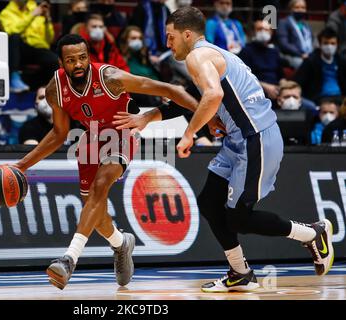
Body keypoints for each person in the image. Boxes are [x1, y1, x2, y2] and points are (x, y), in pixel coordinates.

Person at [115, 6, 334, 293]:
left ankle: (312, 233)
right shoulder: (212, 54)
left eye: (170, 37)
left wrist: (190, 133)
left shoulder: (197, 56)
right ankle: (241, 273)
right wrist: (148, 117)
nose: (167, 44)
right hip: (237, 140)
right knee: (209, 202)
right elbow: (192, 97)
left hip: (256, 139)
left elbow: (213, 95)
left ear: (187, 34)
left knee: (239, 217)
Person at [12, 34, 199, 290]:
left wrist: (207, 116)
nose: (78, 64)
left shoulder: (110, 78)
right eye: (70, 60)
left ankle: (69, 259)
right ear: (61, 62)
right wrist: (21, 166)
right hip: (91, 138)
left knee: (101, 186)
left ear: (88, 56)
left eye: (82, 58)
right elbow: (58, 133)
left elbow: (171, 90)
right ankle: (121, 243)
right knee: (94, 209)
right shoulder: (55, 88)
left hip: (121, 132)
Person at [0, 0, 59, 92]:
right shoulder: (5, 14)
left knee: (55, 61)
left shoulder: (36, 8)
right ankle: (14, 78)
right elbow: (11, 31)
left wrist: (47, 20)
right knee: (14, 37)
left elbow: (49, 39)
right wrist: (32, 15)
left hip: (37, 48)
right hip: (17, 50)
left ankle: (40, 87)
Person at [293, 28, 346, 104]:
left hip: (341, 98)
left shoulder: (341, 61)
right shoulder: (311, 61)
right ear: (320, 44)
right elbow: (297, 82)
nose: (329, 46)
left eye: (332, 43)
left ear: (337, 45)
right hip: (319, 99)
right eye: (326, 43)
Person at [239, 20, 284, 101]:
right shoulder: (246, 51)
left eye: (266, 30)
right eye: (259, 29)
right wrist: (265, 87)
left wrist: (284, 86)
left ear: (271, 33)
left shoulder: (274, 51)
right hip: (255, 91)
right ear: (253, 32)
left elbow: (281, 75)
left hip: (277, 90)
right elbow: (244, 78)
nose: (263, 32)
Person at [119, 26, 162, 106]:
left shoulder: (144, 57)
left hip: (151, 93)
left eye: (139, 38)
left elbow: (154, 77)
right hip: (134, 96)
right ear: (125, 40)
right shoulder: (118, 58)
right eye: (133, 38)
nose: (137, 41)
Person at [276, 0, 314, 69]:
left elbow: (312, 41)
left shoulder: (306, 25)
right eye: (297, 7)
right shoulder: (284, 22)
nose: (300, 10)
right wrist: (300, 54)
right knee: (304, 65)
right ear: (291, 9)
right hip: (291, 55)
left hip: (307, 55)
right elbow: (284, 44)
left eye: (303, 8)